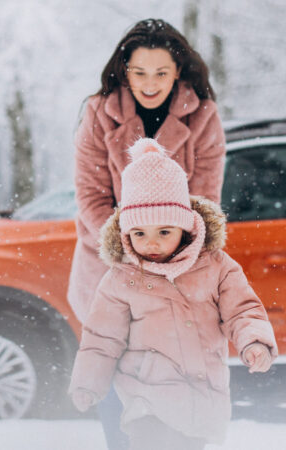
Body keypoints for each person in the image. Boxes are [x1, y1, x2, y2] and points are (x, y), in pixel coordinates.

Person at [67, 18, 226, 448]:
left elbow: (204, 203)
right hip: (111, 269)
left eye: (161, 72)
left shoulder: (204, 118)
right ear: (124, 72)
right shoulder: (99, 114)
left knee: (179, 384)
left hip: (180, 272)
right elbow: (91, 198)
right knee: (117, 381)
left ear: (178, 73)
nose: (149, 84)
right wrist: (133, 254)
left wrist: (168, 255)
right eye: (139, 73)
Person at [68, 139, 277, 450]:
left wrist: (254, 340)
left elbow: (243, 310)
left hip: (202, 394)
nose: (151, 244)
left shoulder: (216, 267)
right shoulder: (121, 279)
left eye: (163, 232)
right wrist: (88, 383)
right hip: (145, 397)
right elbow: (102, 338)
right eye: (139, 234)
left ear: (186, 226)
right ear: (126, 232)